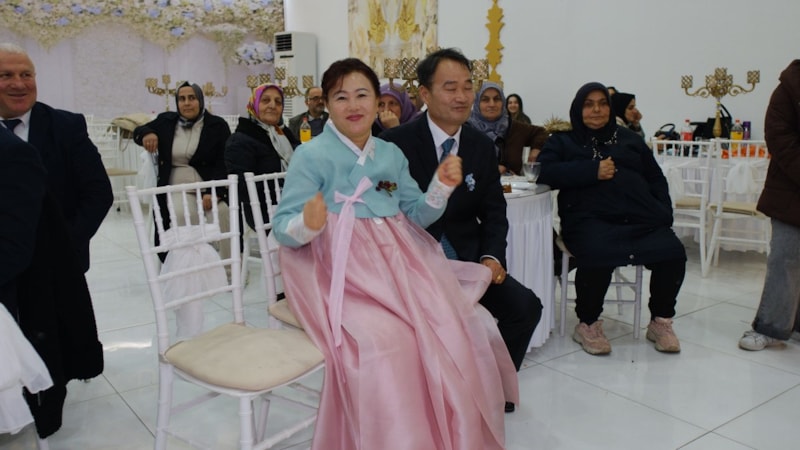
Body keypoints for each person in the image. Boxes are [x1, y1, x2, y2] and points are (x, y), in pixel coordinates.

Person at [272, 57, 517, 450]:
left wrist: (439, 188)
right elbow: (283, 228)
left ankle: (440, 427)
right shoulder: (311, 154)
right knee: (390, 341)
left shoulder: (389, 154)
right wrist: (309, 222)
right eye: (341, 97)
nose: (353, 105)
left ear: (377, 101)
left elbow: (415, 214)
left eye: (362, 95)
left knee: (453, 322)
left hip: (394, 260)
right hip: (336, 267)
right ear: (327, 105)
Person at [380, 49, 542, 399]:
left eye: (468, 87)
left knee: (525, 308)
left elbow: (495, 211)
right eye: (450, 87)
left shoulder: (481, 146)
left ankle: (491, 390)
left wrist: (492, 257)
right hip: (410, 264)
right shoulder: (395, 144)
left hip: (466, 258)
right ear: (425, 94)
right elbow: (384, 212)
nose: (462, 96)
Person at [538, 82, 686, 355]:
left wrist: (663, 212)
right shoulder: (563, 141)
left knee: (673, 252)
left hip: (640, 219)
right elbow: (544, 173)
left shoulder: (629, 139)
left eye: (602, 103)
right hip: (588, 221)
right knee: (598, 252)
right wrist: (590, 170)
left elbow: (655, 177)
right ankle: (588, 323)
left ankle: (660, 321)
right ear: (577, 108)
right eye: (588, 104)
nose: (596, 110)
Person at [0, 42, 112, 273]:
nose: (19, 84)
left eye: (26, 75)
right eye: (6, 75)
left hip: (56, 265)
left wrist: (64, 244)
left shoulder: (67, 127)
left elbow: (98, 193)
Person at [738, 60, 800, 351]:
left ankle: (794, 324)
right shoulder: (791, 85)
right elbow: (779, 136)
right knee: (786, 258)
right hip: (792, 189)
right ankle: (770, 327)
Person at [133, 82, 232, 261]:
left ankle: (229, 268)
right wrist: (147, 133)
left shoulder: (217, 125)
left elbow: (224, 160)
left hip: (208, 187)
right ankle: (190, 267)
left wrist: (214, 191)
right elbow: (138, 131)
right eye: (182, 99)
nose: (186, 103)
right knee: (182, 215)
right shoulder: (166, 121)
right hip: (177, 188)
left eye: (192, 98)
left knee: (224, 213)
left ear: (200, 100)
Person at [225, 83, 300, 231]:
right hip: (265, 212)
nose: (272, 105)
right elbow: (243, 189)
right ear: (254, 104)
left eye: (278, 102)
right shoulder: (241, 139)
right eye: (265, 100)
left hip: (294, 203)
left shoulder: (284, 134)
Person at [468, 82, 549, 175]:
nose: (492, 104)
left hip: (512, 183)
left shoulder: (514, 127)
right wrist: (493, 170)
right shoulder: (467, 128)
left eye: (497, 99)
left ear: (503, 102)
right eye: (485, 100)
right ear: (477, 103)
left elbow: (541, 132)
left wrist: (536, 150)